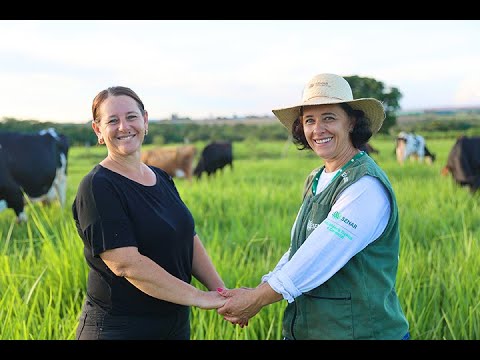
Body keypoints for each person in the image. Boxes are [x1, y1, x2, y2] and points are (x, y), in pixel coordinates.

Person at [217, 73, 410, 340]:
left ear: (352, 122)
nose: (317, 129)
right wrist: (263, 285)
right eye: (309, 120)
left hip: (361, 332)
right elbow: (301, 249)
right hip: (314, 330)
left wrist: (258, 299)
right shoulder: (316, 178)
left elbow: (320, 254)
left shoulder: (365, 185)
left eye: (329, 118)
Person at [72, 86, 226, 340]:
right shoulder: (97, 186)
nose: (124, 126)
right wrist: (199, 297)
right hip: (120, 329)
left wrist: (221, 293)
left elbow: (187, 237)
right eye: (112, 120)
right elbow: (126, 263)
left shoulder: (162, 178)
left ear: (145, 120)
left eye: (131, 117)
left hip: (174, 326)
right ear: (98, 131)